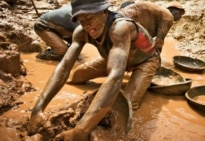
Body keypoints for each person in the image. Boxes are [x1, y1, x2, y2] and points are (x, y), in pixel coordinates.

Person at [28, 0, 161, 140]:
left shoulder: (120, 28)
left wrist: (80, 131)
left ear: (104, 11)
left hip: (145, 61)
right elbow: (64, 66)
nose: (86, 25)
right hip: (115, 58)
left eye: (89, 18)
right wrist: (38, 109)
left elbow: (115, 77)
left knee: (125, 104)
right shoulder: (81, 32)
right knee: (76, 76)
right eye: (81, 20)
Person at [35, 1, 184, 60]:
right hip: (44, 25)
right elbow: (159, 43)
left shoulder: (89, 16)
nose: (179, 17)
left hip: (63, 26)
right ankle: (48, 54)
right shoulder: (168, 17)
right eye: (179, 14)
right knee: (64, 52)